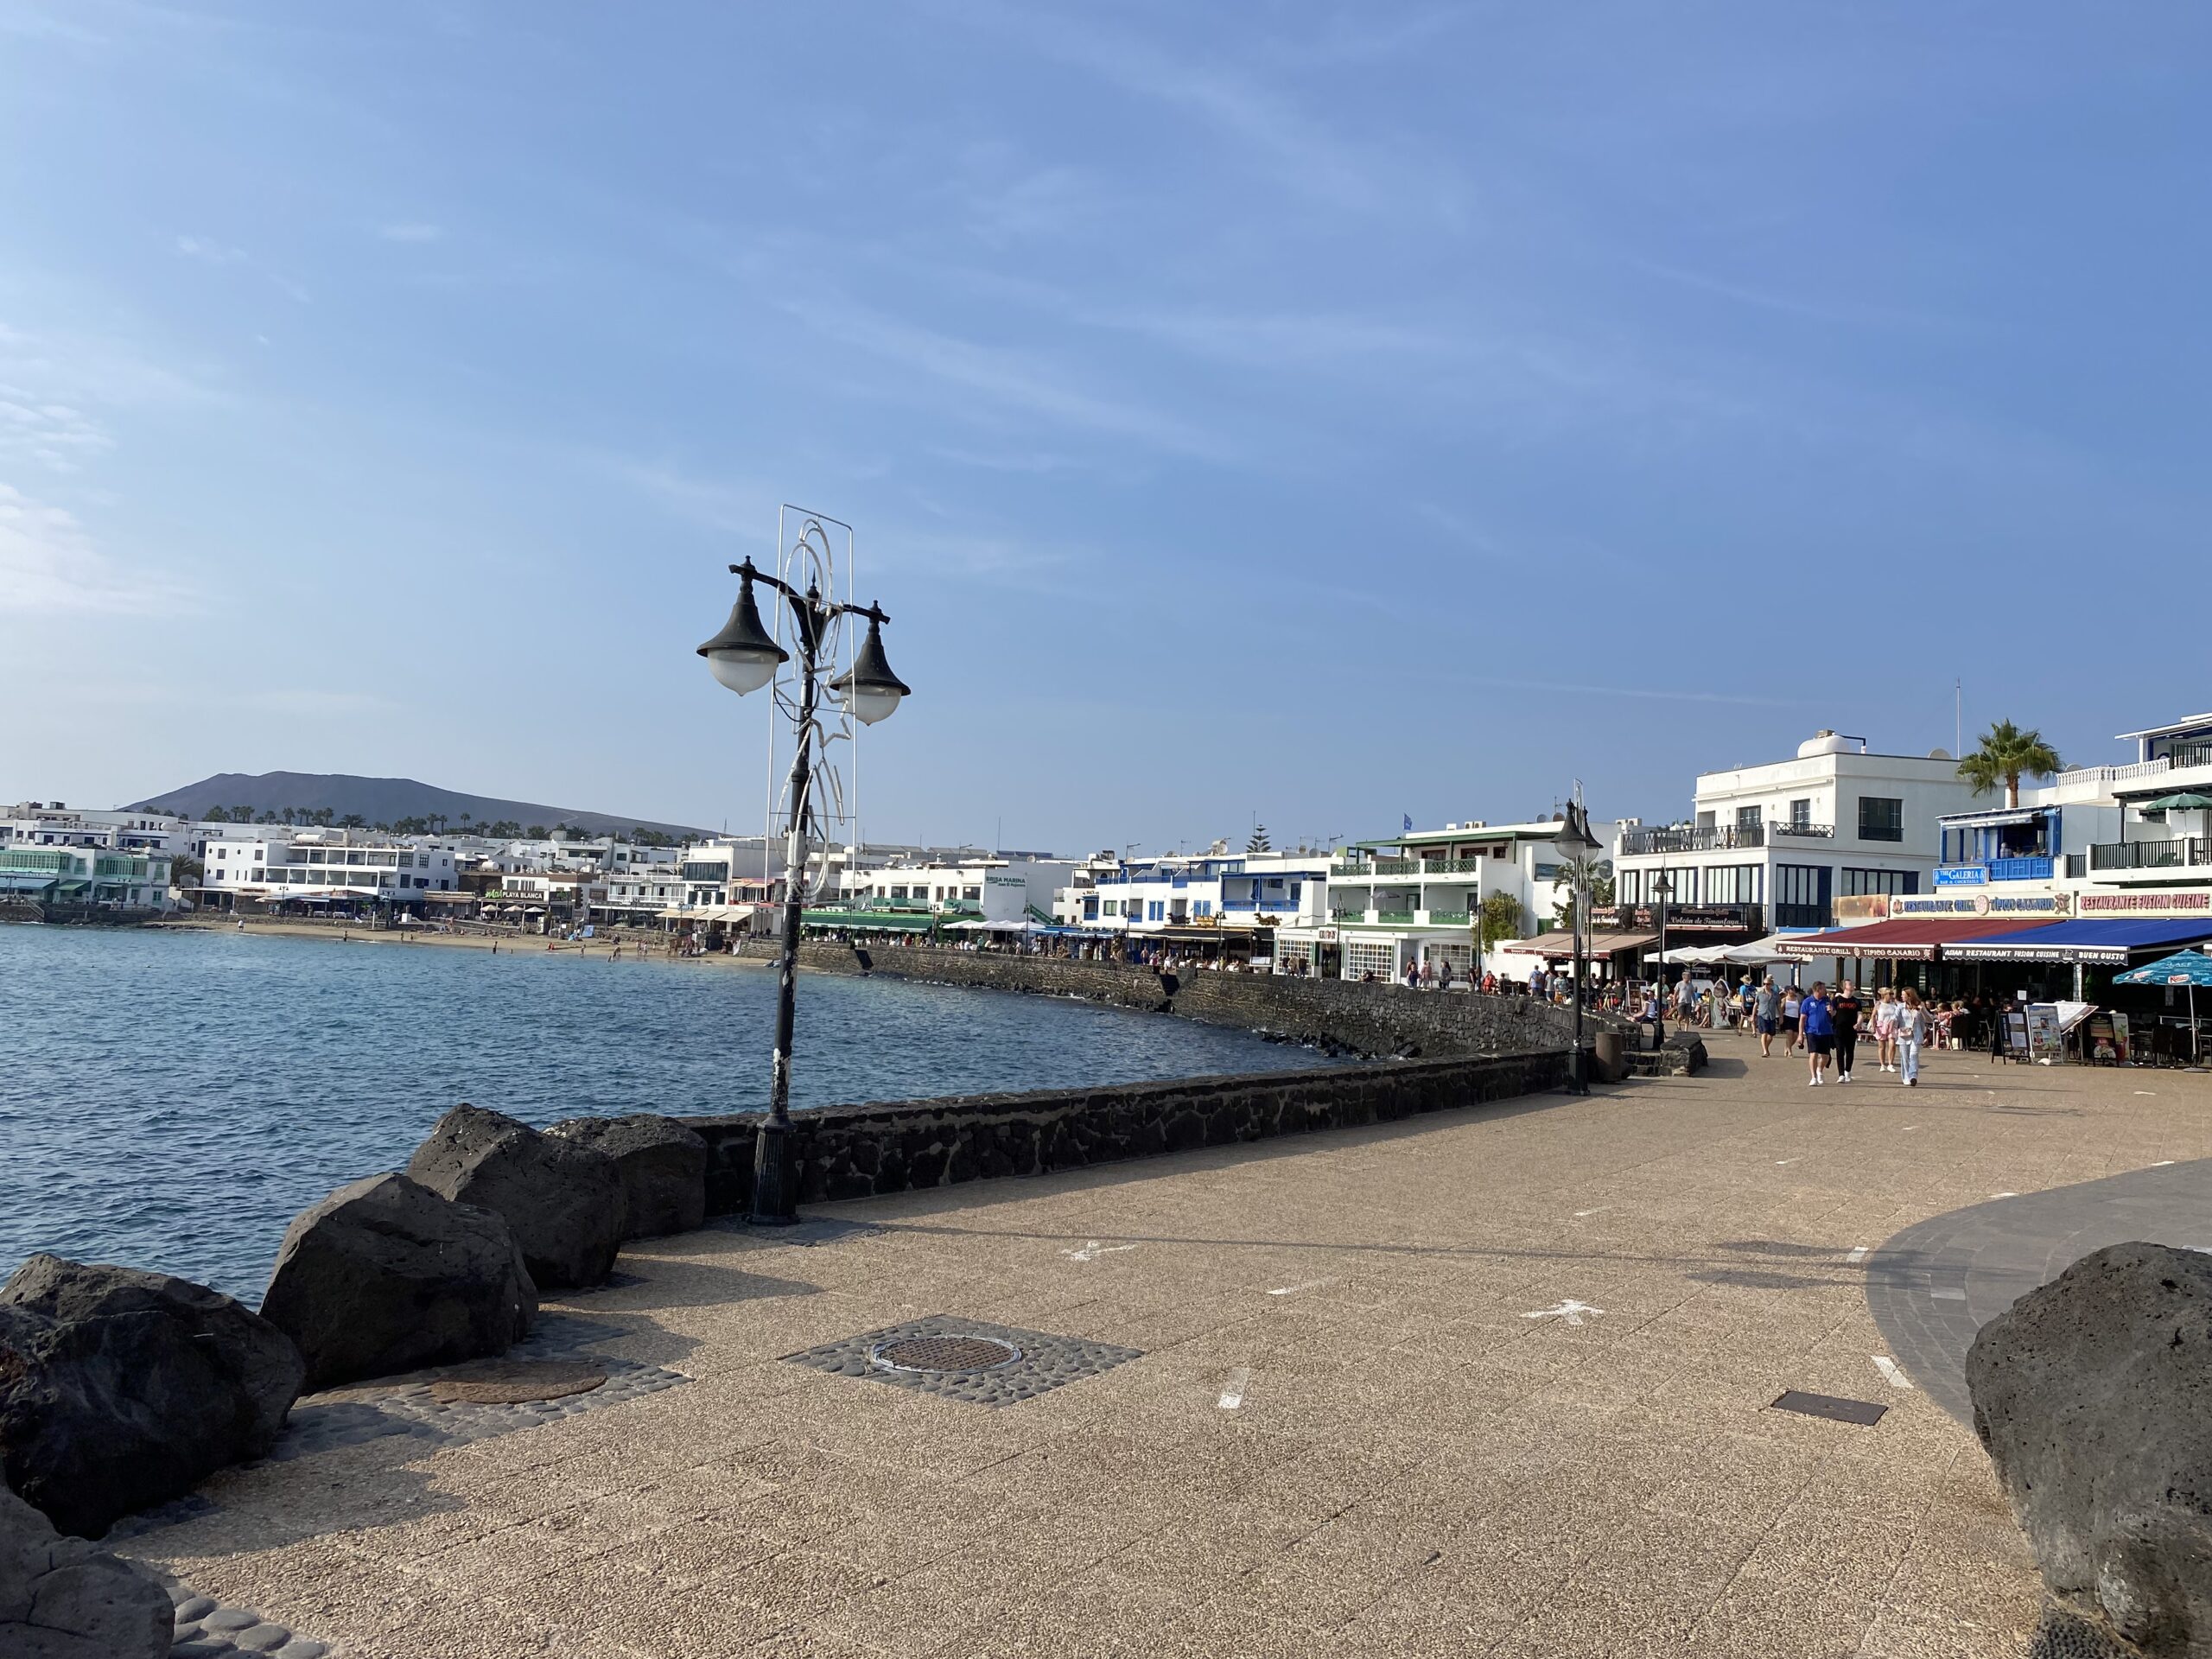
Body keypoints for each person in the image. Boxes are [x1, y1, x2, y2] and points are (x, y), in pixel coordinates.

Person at [1801, 981, 1835, 1085]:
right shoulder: (1807, 1001)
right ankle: (1813, 1077)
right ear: (1818, 990)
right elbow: (1802, 1018)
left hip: (1826, 1031)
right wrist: (1800, 1034)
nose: (1826, 990)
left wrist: (1831, 1011)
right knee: (1813, 1053)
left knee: (1825, 1056)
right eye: (1824, 988)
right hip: (1812, 1031)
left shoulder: (1827, 1000)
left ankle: (1819, 1070)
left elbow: (1833, 1014)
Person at [1896, 988, 1929, 1086]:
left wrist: (1923, 1011)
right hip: (1904, 1035)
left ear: (1909, 996)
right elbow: (1895, 1019)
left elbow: (1929, 1019)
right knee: (1905, 1057)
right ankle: (1906, 1077)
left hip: (1916, 1035)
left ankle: (1913, 1076)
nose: (1901, 996)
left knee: (1913, 1055)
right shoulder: (1900, 1007)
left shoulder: (1920, 1005)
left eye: (1903, 995)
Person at [1831, 981, 1863, 1084]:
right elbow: (1832, 1013)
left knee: (1850, 1052)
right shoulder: (1837, 1000)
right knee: (1840, 1051)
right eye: (1850, 984)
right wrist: (1831, 1011)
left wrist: (1858, 1023)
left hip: (1851, 1029)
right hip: (1839, 1029)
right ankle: (1841, 1075)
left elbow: (1860, 1014)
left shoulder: (1856, 1001)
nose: (1853, 985)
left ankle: (1847, 1071)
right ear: (1844, 987)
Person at [1871, 987, 1899, 1072]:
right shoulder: (1879, 1004)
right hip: (1881, 1025)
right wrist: (1873, 1026)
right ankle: (1882, 1064)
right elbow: (1873, 1015)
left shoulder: (1894, 1004)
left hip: (1892, 1025)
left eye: (1892, 994)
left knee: (1892, 1044)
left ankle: (1890, 1064)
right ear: (1884, 995)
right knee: (1881, 1046)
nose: (1892, 996)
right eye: (1890, 994)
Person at [1754, 978, 1780, 1057]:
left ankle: (1766, 1047)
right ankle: (1765, 1051)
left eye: (1768, 984)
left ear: (1771, 985)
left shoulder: (1776, 994)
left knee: (1771, 1036)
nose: (1766, 985)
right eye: (1764, 984)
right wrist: (1753, 1015)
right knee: (1764, 1033)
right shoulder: (1760, 993)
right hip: (1762, 1015)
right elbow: (1756, 1004)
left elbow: (1778, 1005)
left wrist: (1781, 1016)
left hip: (1771, 1016)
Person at [1780, 983, 1803, 1056]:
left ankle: (1787, 1047)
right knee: (1789, 1034)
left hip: (1796, 1018)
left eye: (1792, 990)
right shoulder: (1784, 999)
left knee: (1795, 1036)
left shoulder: (1798, 999)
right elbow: (1781, 1010)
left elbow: (1800, 1009)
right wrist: (1781, 1018)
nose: (1791, 991)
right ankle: (1790, 1051)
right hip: (1787, 1018)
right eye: (1789, 990)